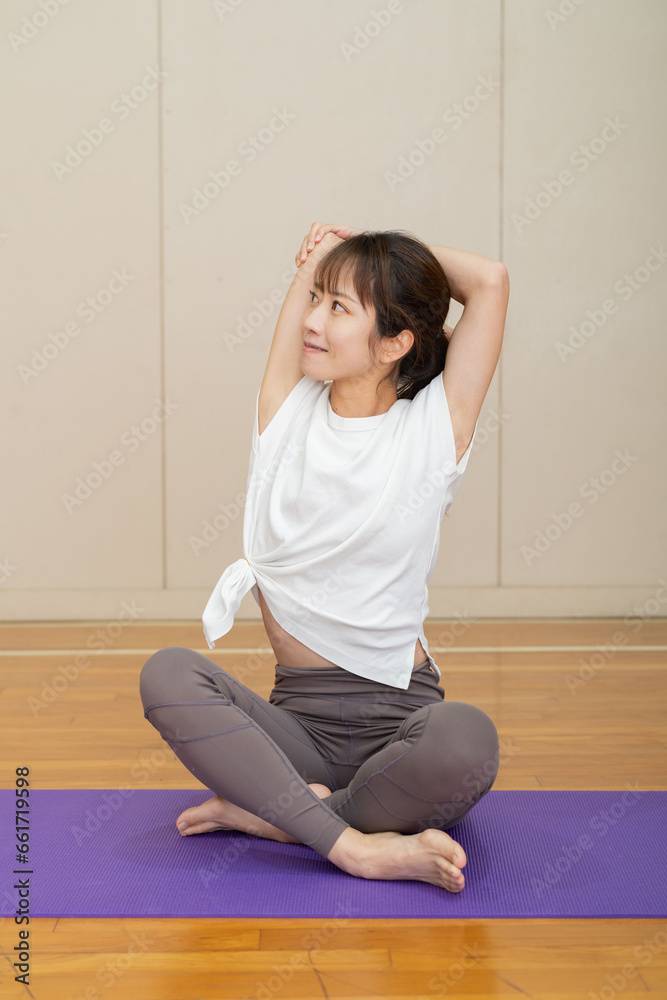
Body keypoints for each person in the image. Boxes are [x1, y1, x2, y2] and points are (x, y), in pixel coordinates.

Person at [140, 221, 510, 893]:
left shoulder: (432, 429)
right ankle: (357, 847)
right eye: (315, 298)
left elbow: (489, 281)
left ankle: (282, 819)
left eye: (339, 307)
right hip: (296, 733)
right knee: (168, 673)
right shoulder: (285, 411)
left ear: (395, 341)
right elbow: (314, 289)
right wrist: (340, 261)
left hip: (401, 727)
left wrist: (373, 244)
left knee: (466, 740)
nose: (312, 320)